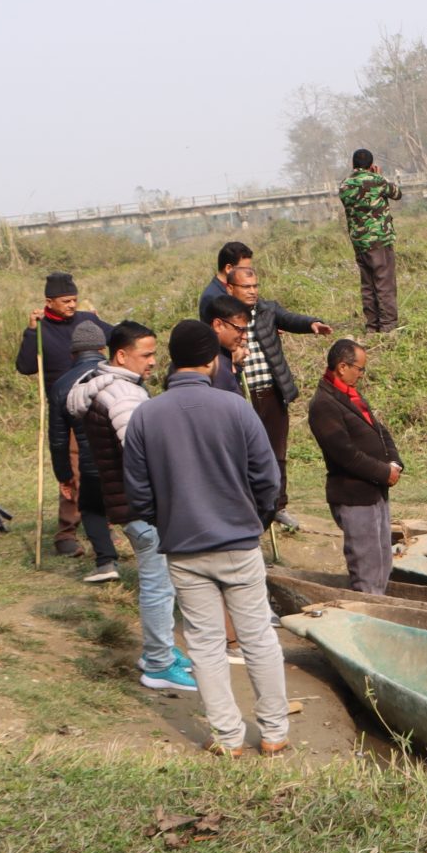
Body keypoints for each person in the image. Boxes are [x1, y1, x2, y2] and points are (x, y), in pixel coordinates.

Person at [122, 321, 290, 756]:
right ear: (212, 360)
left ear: (173, 361)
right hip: (239, 542)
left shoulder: (146, 415)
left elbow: (137, 494)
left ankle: (228, 738)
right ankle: (273, 733)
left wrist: (170, 521)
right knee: (258, 638)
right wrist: (254, 517)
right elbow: (267, 477)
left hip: (183, 548)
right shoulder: (236, 408)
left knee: (204, 644)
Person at [68, 321, 198, 694]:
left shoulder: (108, 388)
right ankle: (157, 664)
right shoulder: (124, 397)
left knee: (160, 584)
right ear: (121, 355)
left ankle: (161, 651)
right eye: (146, 354)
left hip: (126, 501)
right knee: (159, 587)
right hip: (141, 506)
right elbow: (142, 452)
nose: (153, 362)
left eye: (155, 353)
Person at [221, 259, 331, 530]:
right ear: (230, 288)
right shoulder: (221, 318)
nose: (252, 291)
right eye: (245, 286)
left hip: (271, 391)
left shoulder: (267, 310)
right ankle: (248, 507)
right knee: (244, 454)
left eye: (255, 285)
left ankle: (278, 506)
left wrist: (311, 324)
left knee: (277, 452)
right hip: (240, 395)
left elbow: (289, 319)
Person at [13, 272, 104, 556]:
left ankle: (105, 521)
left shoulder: (86, 320)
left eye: (74, 300)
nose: (71, 305)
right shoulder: (40, 329)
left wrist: (99, 323)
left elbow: (118, 337)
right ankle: (66, 532)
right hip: (66, 412)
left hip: (97, 403)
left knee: (104, 465)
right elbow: (26, 366)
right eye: (66, 301)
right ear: (48, 302)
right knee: (74, 472)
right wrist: (30, 332)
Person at [309, 337, 403, 595]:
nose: (362, 375)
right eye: (359, 369)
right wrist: (384, 472)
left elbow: (379, 430)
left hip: (374, 490)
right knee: (366, 565)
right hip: (354, 495)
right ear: (342, 367)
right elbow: (345, 454)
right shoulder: (323, 405)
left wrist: (394, 462)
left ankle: (378, 608)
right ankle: (368, 613)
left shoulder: (350, 395)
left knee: (383, 558)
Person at [55, 314, 123, 581]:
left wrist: (64, 475)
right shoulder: (119, 376)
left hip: (90, 460)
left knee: (90, 505)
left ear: (73, 353)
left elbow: (59, 438)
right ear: (103, 350)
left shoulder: (62, 385)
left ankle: (106, 562)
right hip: (125, 455)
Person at [339, 150, 405, 332]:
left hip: (359, 242)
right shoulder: (376, 181)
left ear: (353, 165)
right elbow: (397, 194)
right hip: (379, 240)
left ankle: (372, 325)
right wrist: (378, 176)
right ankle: (387, 327)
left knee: (368, 285)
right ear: (371, 164)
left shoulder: (344, 185)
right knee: (384, 284)